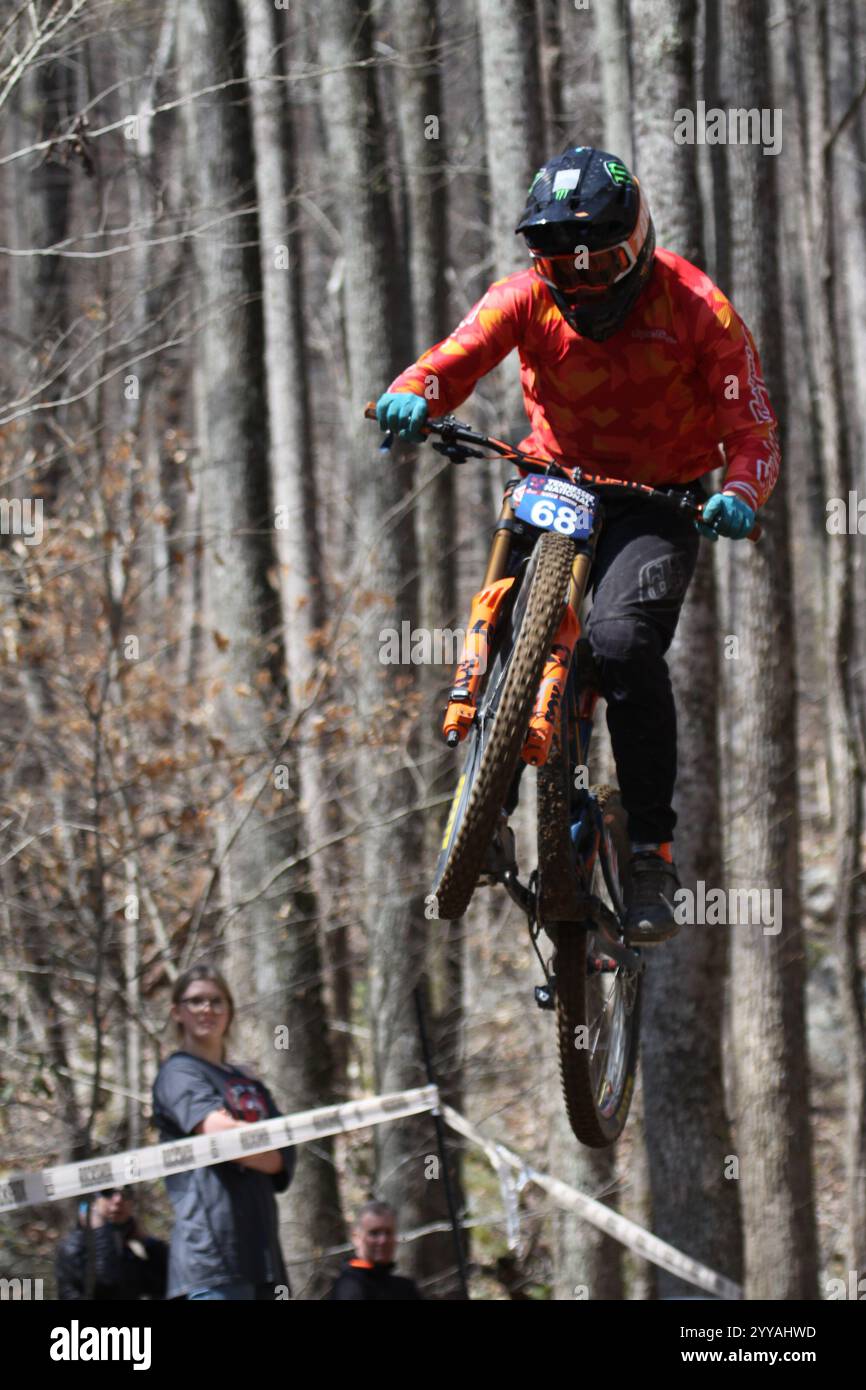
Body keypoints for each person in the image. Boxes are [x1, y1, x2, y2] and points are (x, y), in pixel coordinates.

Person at [375, 144, 780, 944]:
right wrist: (411, 391)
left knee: (624, 644)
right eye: (565, 266)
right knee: (505, 614)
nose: (586, 283)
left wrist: (738, 492)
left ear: (637, 244)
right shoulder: (521, 299)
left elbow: (752, 426)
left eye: (602, 263)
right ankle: (486, 794)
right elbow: (453, 359)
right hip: (556, 478)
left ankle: (651, 854)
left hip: (657, 499)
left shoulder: (699, 307)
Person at [151, 963, 296, 1300]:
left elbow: (284, 1156)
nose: (207, 1009)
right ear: (177, 1012)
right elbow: (221, 1137)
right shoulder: (178, 1072)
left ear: (229, 1011)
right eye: (196, 1001)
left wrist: (250, 1147)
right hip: (212, 1258)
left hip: (264, 1257)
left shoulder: (248, 1081)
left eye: (217, 1001)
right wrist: (253, 1144)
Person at [55, 1187, 167, 1300]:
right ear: (93, 1202)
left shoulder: (134, 1244)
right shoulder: (74, 1246)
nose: (118, 1200)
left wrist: (149, 1243)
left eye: (126, 1193)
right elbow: (105, 1285)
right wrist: (99, 1231)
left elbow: (166, 1283)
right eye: (107, 1192)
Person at [329, 1201, 422, 1300]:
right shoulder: (349, 1286)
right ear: (356, 1237)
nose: (383, 1240)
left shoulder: (405, 1288)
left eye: (388, 1233)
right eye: (374, 1233)